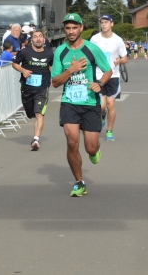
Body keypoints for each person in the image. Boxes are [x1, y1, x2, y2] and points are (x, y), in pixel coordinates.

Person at [51, 13, 113, 197]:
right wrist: (70, 70)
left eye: (74, 28)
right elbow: (55, 82)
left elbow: (108, 71)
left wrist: (100, 83)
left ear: (81, 28)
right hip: (69, 102)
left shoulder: (91, 49)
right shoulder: (60, 52)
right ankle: (79, 182)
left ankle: (94, 150)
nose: (71, 31)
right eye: (68, 28)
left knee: (90, 147)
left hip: (90, 102)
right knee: (72, 143)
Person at [12, 30, 54, 150]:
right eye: (35, 37)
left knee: (39, 113)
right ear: (32, 40)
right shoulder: (25, 52)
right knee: (30, 114)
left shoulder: (49, 53)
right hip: (27, 88)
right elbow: (14, 64)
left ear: (44, 39)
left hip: (42, 88)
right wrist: (23, 71)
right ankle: (31, 114)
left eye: (40, 36)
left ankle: (36, 139)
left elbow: (51, 66)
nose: (38, 39)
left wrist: (52, 77)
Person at [89, 15, 128, 142]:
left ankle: (109, 131)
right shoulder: (95, 39)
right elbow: (88, 54)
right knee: (101, 106)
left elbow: (125, 58)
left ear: (112, 24)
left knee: (111, 104)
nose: (104, 24)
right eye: (102, 22)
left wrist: (119, 61)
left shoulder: (118, 40)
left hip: (113, 75)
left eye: (106, 22)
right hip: (98, 75)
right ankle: (102, 116)